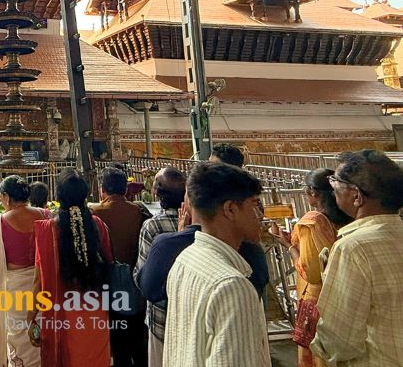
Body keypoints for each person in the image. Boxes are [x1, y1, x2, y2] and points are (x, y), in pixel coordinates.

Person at [161, 161, 270, 367]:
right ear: (230, 209)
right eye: (254, 205)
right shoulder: (232, 286)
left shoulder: (186, 259)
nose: (260, 216)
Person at [310, 150, 403, 366]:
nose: (332, 188)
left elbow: (339, 341)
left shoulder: (353, 248)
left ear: (356, 195)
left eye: (335, 181)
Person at [26, 169, 114, 366]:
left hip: (62, 316)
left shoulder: (47, 231)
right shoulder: (98, 225)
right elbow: (109, 264)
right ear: (85, 195)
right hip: (96, 314)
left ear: (57, 197)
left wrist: (30, 318)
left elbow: (38, 281)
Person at [269, 168, 352, 367]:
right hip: (345, 295)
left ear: (312, 193)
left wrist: (289, 246)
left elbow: (312, 272)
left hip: (317, 297)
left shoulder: (311, 222)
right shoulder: (348, 216)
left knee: (318, 355)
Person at [0, 176, 48, 367]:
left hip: (15, 292)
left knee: (19, 339)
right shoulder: (47, 216)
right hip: (45, 289)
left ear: (6, 197)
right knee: (44, 339)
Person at [91, 167, 148, 367]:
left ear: (102, 190)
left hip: (106, 287)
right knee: (138, 341)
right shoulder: (139, 211)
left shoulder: (94, 213)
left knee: (117, 344)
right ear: (125, 189)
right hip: (137, 285)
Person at [133, 167, 185, 367]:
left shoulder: (153, 226)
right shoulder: (198, 222)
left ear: (156, 193)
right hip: (191, 313)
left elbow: (142, 277)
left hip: (161, 316)